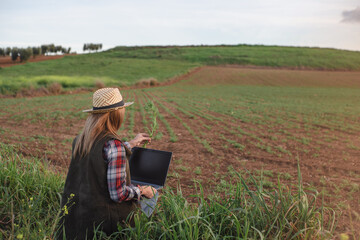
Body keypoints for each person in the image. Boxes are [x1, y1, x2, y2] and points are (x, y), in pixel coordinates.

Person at [56, 88, 157, 240]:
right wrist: (142, 191)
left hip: (80, 219)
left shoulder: (80, 140)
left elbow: (101, 156)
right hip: (104, 225)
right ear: (116, 113)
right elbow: (118, 194)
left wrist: (130, 144)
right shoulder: (114, 146)